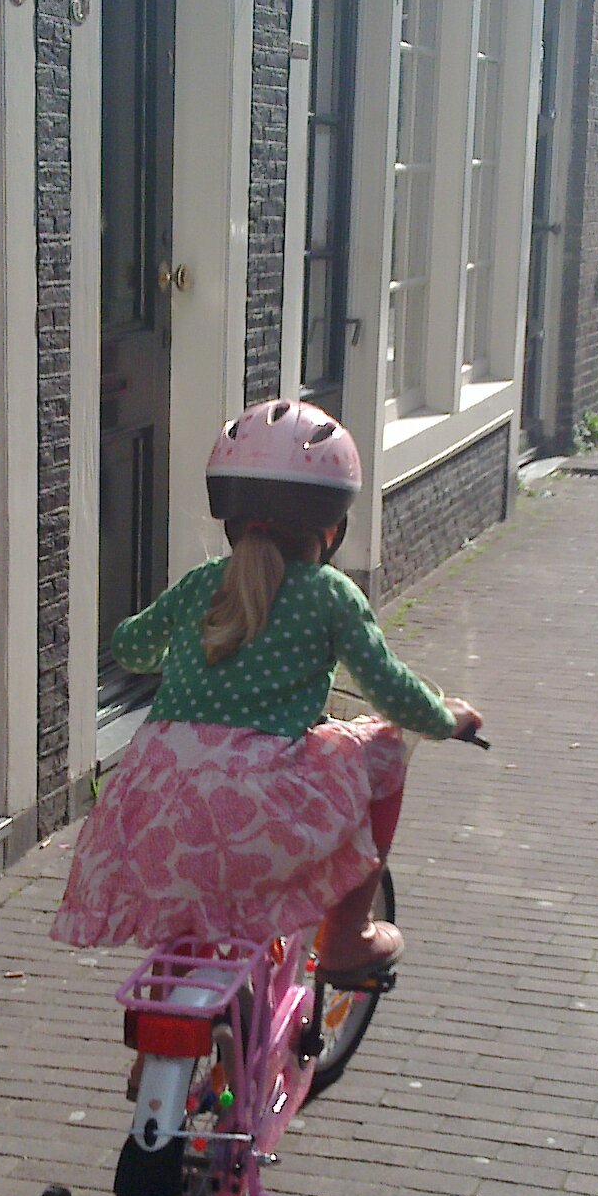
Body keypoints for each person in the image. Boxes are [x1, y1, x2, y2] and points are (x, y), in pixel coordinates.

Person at [53, 400, 481, 982]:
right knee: (385, 748)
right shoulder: (330, 594)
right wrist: (445, 719)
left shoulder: (201, 584)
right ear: (332, 529)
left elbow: (129, 646)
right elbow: (391, 691)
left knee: (190, 917)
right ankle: (348, 937)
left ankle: (172, 1026)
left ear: (231, 521)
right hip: (260, 807)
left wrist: (176, 657)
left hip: (156, 809)